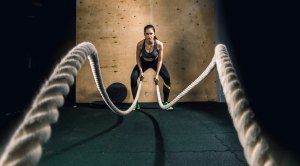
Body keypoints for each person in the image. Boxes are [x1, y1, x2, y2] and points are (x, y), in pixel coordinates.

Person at [130, 24, 173, 110]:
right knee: (133, 77)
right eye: (147, 34)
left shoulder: (159, 44)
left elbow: (160, 60)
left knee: (167, 78)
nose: (149, 36)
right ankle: (136, 103)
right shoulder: (140, 44)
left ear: (154, 33)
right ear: (144, 34)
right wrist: (141, 71)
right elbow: (138, 58)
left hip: (155, 62)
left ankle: (165, 102)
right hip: (143, 62)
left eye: (151, 33)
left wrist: (157, 74)